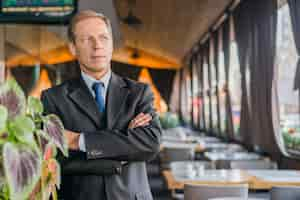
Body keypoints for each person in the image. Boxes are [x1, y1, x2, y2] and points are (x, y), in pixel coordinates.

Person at [41, 10, 162, 200]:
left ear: (112, 45)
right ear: (73, 48)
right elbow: (56, 160)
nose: (97, 46)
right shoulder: (53, 98)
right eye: (87, 39)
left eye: (104, 38)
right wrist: (123, 152)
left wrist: (79, 141)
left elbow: (150, 144)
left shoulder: (139, 93)